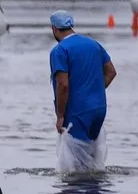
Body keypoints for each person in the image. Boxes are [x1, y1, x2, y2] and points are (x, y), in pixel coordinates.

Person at [49, 10, 116, 143]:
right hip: (99, 108)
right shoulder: (93, 44)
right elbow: (111, 72)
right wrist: (93, 90)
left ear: (54, 28)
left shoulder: (59, 51)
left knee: (73, 160)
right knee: (92, 156)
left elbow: (63, 85)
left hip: (77, 112)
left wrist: (60, 116)